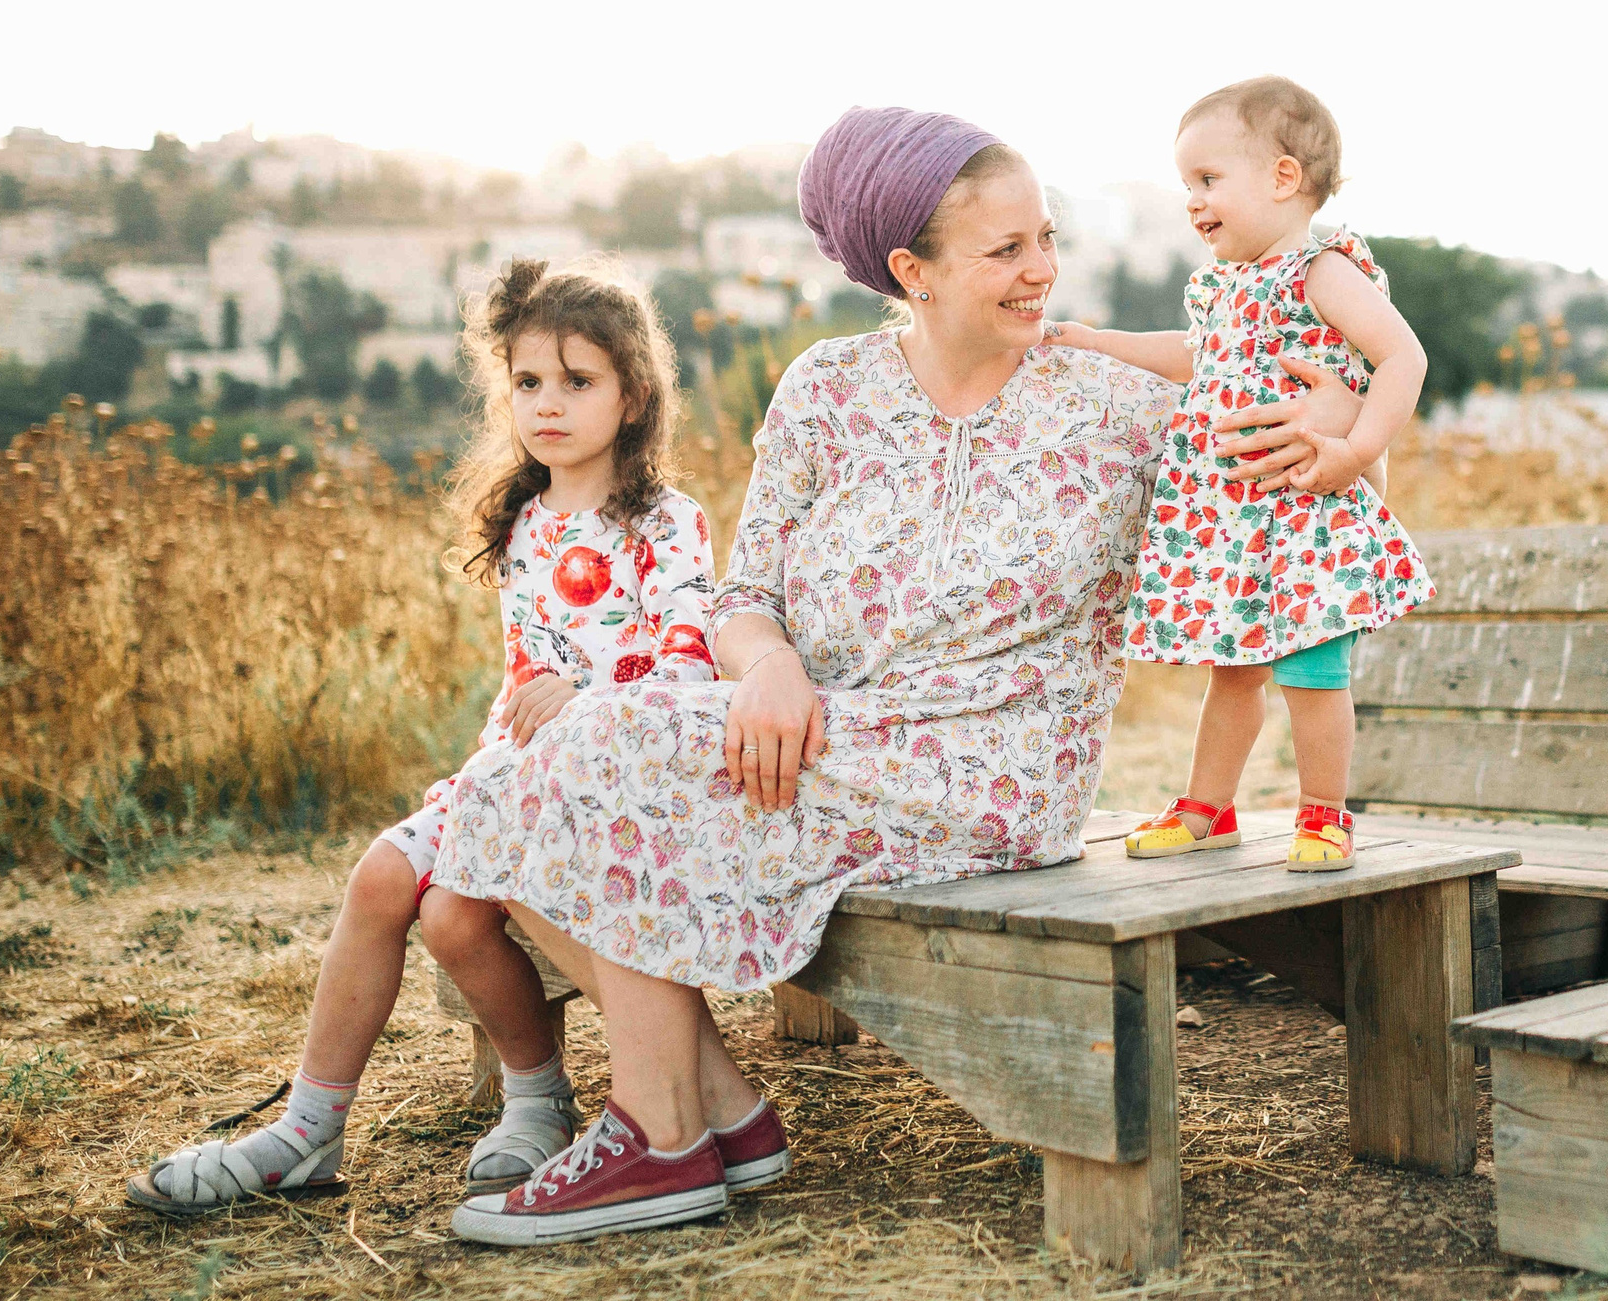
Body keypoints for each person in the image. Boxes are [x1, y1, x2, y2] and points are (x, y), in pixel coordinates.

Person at [428, 108, 1368, 1246]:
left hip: (994, 766)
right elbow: (743, 597)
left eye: (1045, 239)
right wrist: (767, 668)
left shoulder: (1117, 402)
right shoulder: (826, 388)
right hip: (818, 735)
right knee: (518, 777)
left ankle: (664, 1138)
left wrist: (1340, 410)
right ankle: (707, 1112)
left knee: (599, 748)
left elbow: (1307, 408)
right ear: (911, 271)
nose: (1042, 272)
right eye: (1004, 251)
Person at [127, 258, 722, 1214]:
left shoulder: (664, 523)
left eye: (579, 381)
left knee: (449, 914)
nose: (548, 404)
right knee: (386, 877)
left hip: (611, 780)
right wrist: (487, 772)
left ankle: (537, 1099)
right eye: (528, 382)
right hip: (514, 773)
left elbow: (690, 667)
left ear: (635, 394)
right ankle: (307, 1130)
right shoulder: (527, 524)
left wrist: (584, 695)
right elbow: (521, 682)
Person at [1046, 76, 1434, 873]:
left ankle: (1325, 813)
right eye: (1187, 184)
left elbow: (1403, 356)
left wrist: (1357, 450)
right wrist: (1094, 339)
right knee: (1234, 670)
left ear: (1283, 178)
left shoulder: (1319, 272)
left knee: (1313, 671)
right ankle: (1206, 806)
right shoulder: (1223, 286)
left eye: (1208, 180)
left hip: (1301, 507)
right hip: (1233, 521)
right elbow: (1194, 358)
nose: (1193, 201)